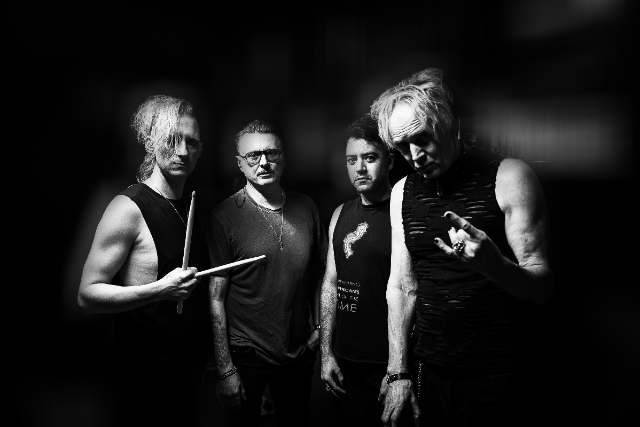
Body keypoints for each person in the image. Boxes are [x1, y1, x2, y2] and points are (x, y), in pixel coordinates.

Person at [371, 68, 554, 427]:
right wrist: (398, 372)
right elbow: (401, 286)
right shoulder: (402, 191)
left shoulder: (509, 176)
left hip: (498, 373)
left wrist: (496, 266)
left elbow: (543, 286)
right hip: (430, 371)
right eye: (402, 146)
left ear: (448, 122)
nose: (414, 155)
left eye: (422, 138)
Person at [77, 95, 211, 426]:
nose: (183, 151)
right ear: (150, 143)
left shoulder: (190, 207)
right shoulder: (127, 208)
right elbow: (87, 295)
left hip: (185, 374)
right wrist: (160, 289)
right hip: (142, 376)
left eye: (192, 142)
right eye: (172, 140)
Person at [205, 120, 327, 427]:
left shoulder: (307, 207)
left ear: (283, 157)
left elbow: (321, 273)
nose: (263, 162)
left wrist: (319, 329)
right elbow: (215, 298)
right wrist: (226, 368)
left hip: (298, 350)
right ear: (240, 164)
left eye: (271, 153)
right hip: (246, 352)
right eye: (253, 156)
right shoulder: (224, 217)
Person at [319, 114, 395, 427]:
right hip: (345, 362)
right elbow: (330, 283)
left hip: (386, 365)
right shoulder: (340, 214)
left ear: (389, 161)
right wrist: (326, 354)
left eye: (370, 158)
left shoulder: (402, 214)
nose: (360, 168)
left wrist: (399, 370)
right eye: (352, 160)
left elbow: (414, 291)